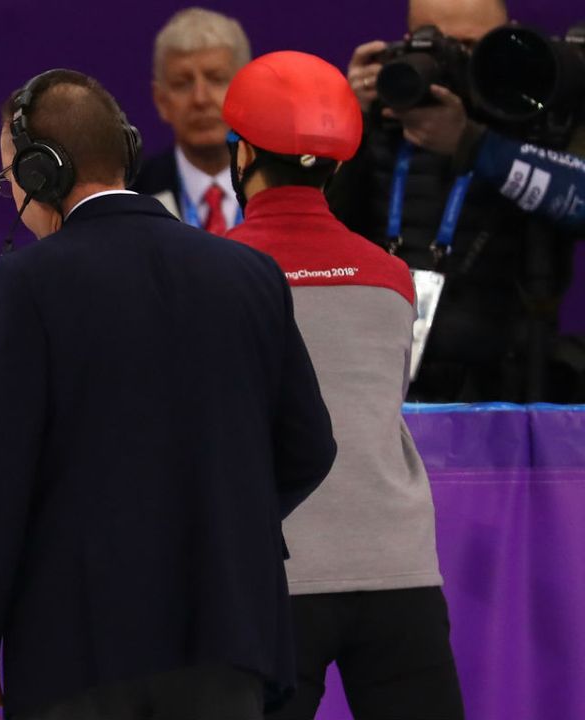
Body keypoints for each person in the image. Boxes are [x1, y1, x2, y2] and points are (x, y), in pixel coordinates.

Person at [0, 69, 336, 720]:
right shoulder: (250, 273)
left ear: (43, 171)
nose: (10, 190)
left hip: (78, 647)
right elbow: (311, 447)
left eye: (10, 174)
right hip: (229, 639)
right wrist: (219, 517)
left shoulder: (29, 282)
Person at [222, 51, 464, 720]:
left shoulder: (212, 275)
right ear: (338, 160)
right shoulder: (392, 278)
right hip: (399, 568)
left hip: (274, 576)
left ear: (241, 158)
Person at [330, 0, 585, 401]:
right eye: (442, 46)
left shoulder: (543, 115)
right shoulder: (381, 119)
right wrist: (348, 121)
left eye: (473, 46)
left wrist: (473, 144)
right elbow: (321, 234)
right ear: (410, 41)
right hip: (383, 384)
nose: (460, 65)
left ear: (509, 35)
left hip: (509, 386)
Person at [128, 7, 250, 235]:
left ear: (246, 91)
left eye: (216, 79)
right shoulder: (134, 196)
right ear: (161, 101)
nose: (200, 99)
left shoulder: (280, 189)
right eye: (182, 83)